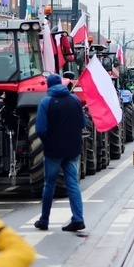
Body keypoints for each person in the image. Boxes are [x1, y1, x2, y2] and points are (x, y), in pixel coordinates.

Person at [34, 73, 87, 232]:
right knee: (72, 184)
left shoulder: (46, 102)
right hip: (73, 149)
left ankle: (44, 220)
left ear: (49, 86)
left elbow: (40, 129)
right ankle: (78, 219)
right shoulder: (75, 100)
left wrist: (48, 142)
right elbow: (83, 123)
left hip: (53, 151)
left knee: (49, 185)